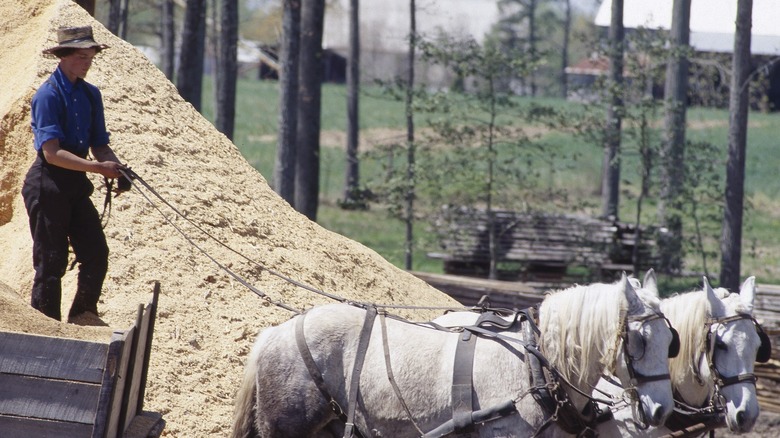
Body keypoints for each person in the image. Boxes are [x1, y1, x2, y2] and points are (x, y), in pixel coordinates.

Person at [22, 26, 129, 323]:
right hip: (47, 183)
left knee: (96, 251)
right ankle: (45, 327)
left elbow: (100, 145)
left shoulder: (91, 95)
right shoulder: (48, 95)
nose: (87, 62)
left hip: (74, 183)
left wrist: (117, 168)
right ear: (64, 57)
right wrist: (98, 168)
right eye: (81, 56)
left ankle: (82, 313)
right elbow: (51, 154)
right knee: (51, 262)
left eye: (91, 56)